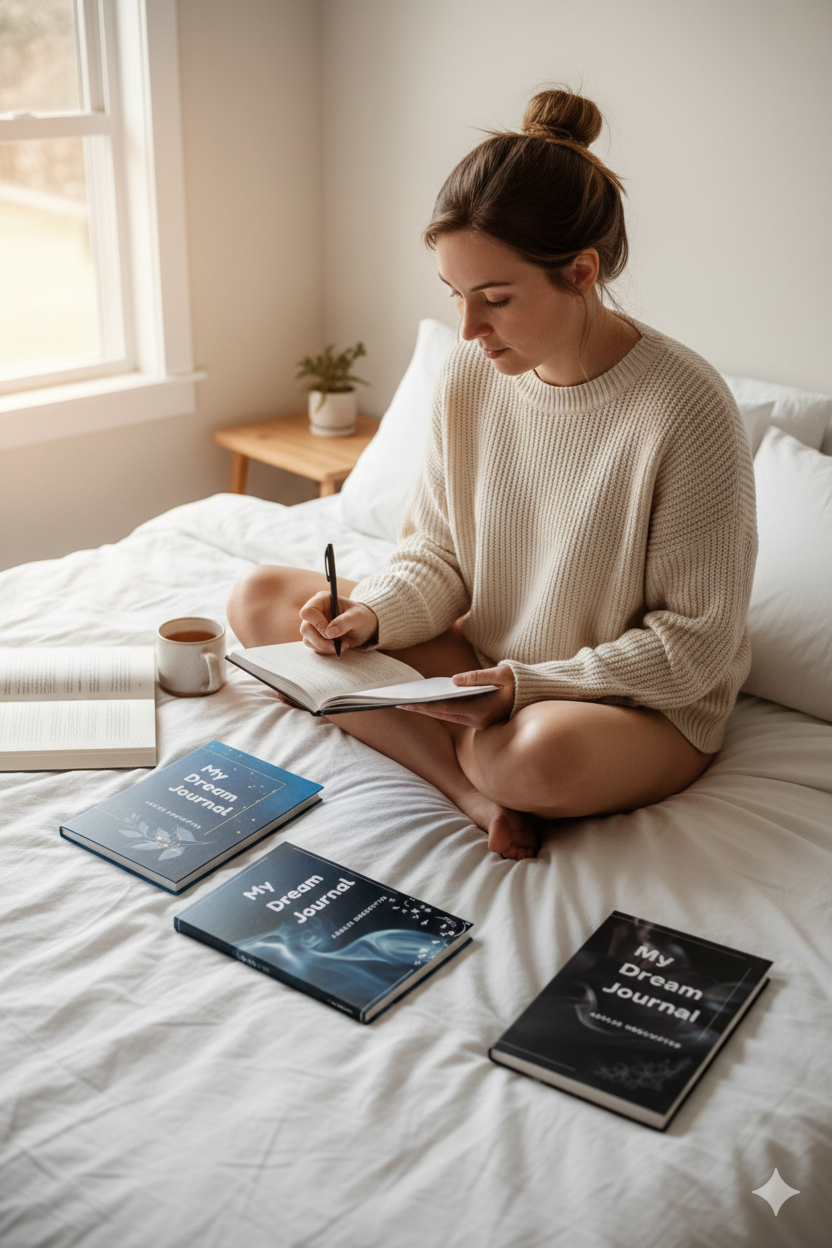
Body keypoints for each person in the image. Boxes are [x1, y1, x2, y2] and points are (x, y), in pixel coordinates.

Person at [227, 88, 757, 861]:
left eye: (496, 300)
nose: (469, 330)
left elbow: (694, 646)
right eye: (455, 297)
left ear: (581, 271)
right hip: (489, 667)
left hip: (630, 703)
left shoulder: (686, 407)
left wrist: (525, 689)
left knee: (531, 757)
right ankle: (471, 793)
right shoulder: (470, 377)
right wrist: (370, 616)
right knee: (263, 601)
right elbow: (437, 558)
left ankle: (492, 773)